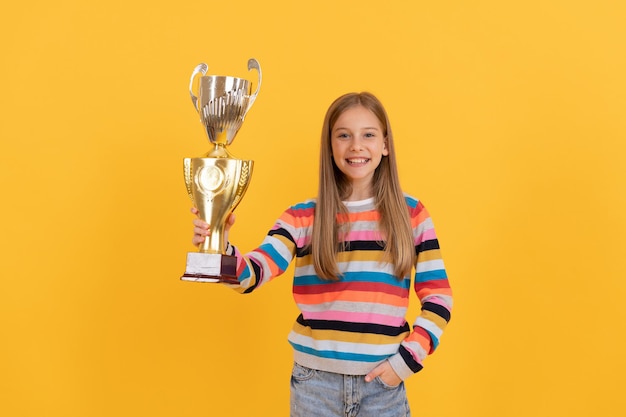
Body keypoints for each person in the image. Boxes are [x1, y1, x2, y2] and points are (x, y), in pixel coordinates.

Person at [191, 92, 453, 417]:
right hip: (315, 386)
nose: (356, 146)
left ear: (385, 144)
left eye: (368, 135)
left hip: (383, 387)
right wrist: (220, 245)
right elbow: (253, 273)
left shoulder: (411, 214)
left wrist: (407, 360)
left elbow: (439, 297)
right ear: (330, 146)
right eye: (344, 135)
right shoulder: (302, 217)